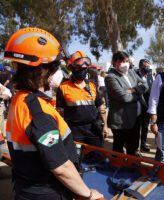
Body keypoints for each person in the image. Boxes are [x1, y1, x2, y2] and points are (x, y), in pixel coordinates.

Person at [4, 27, 103, 200]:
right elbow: (60, 167)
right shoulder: (38, 112)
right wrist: (88, 194)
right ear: (42, 69)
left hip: (27, 186)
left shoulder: (19, 99)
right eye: (55, 65)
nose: (58, 71)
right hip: (47, 192)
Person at [56, 51, 108, 148]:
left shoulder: (92, 85)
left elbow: (100, 105)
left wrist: (105, 125)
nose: (82, 71)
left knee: (97, 157)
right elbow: (59, 111)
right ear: (71, 68)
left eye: (84, 69)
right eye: (79, 68)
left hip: (93, 129)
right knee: (77, 159)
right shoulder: (63, 87)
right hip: (74, 131)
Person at [105, 51, 148, 156]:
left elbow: (145, 85)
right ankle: (118, 169)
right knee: (118, 150)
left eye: (127, 61)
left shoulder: (131, 72)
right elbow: (124, 97)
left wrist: (133, 90)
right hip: (121, 121)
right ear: (114, 63)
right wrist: (138, 91)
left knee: (132, 148)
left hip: (135, 118)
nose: (125, 63)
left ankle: (130, 169)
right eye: (122, 61)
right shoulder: (111, 77)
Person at [136, 59, 153, 152]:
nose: (147, 69)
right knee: (137, 126)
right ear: (140, 67)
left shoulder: (150, 76)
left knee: (145, 126)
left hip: (147, 105)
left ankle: (143, 144)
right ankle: (135, 145)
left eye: (148, 67)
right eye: (145, 67)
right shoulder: (135, 75)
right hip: (137, 105)